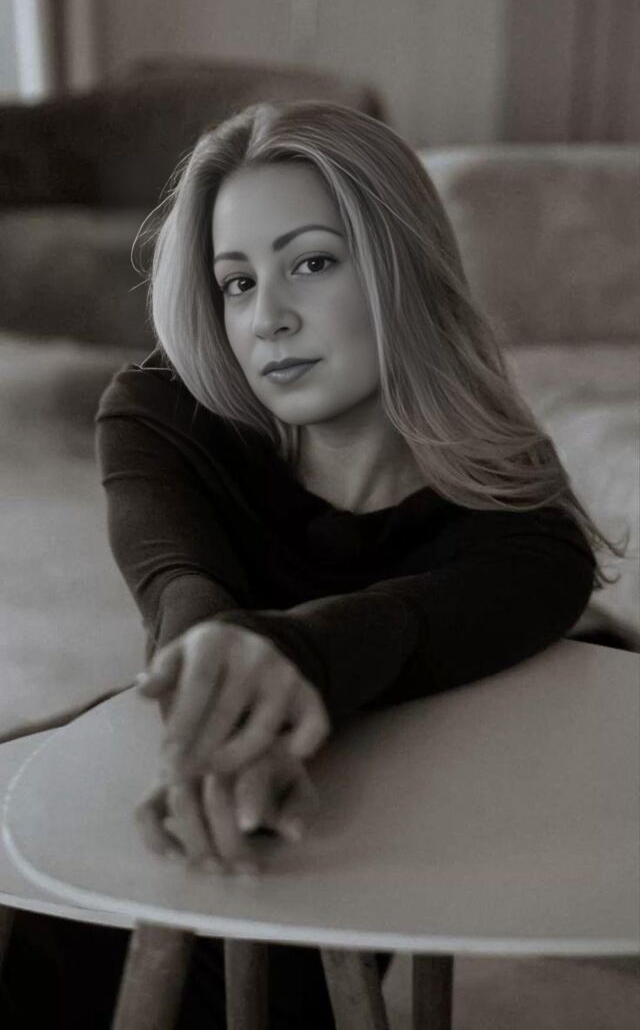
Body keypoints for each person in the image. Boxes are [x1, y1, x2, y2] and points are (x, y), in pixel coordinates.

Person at [2, 101, 621, 1030]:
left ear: (403, 264)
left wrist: (296, 656)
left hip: (306, 866)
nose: (269, 319)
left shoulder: (524, 534)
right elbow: (180, 591)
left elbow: (404, 624)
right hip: (136, 796)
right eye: (237, 282)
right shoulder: (162, 411)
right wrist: (225, 671)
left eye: (312, 263)